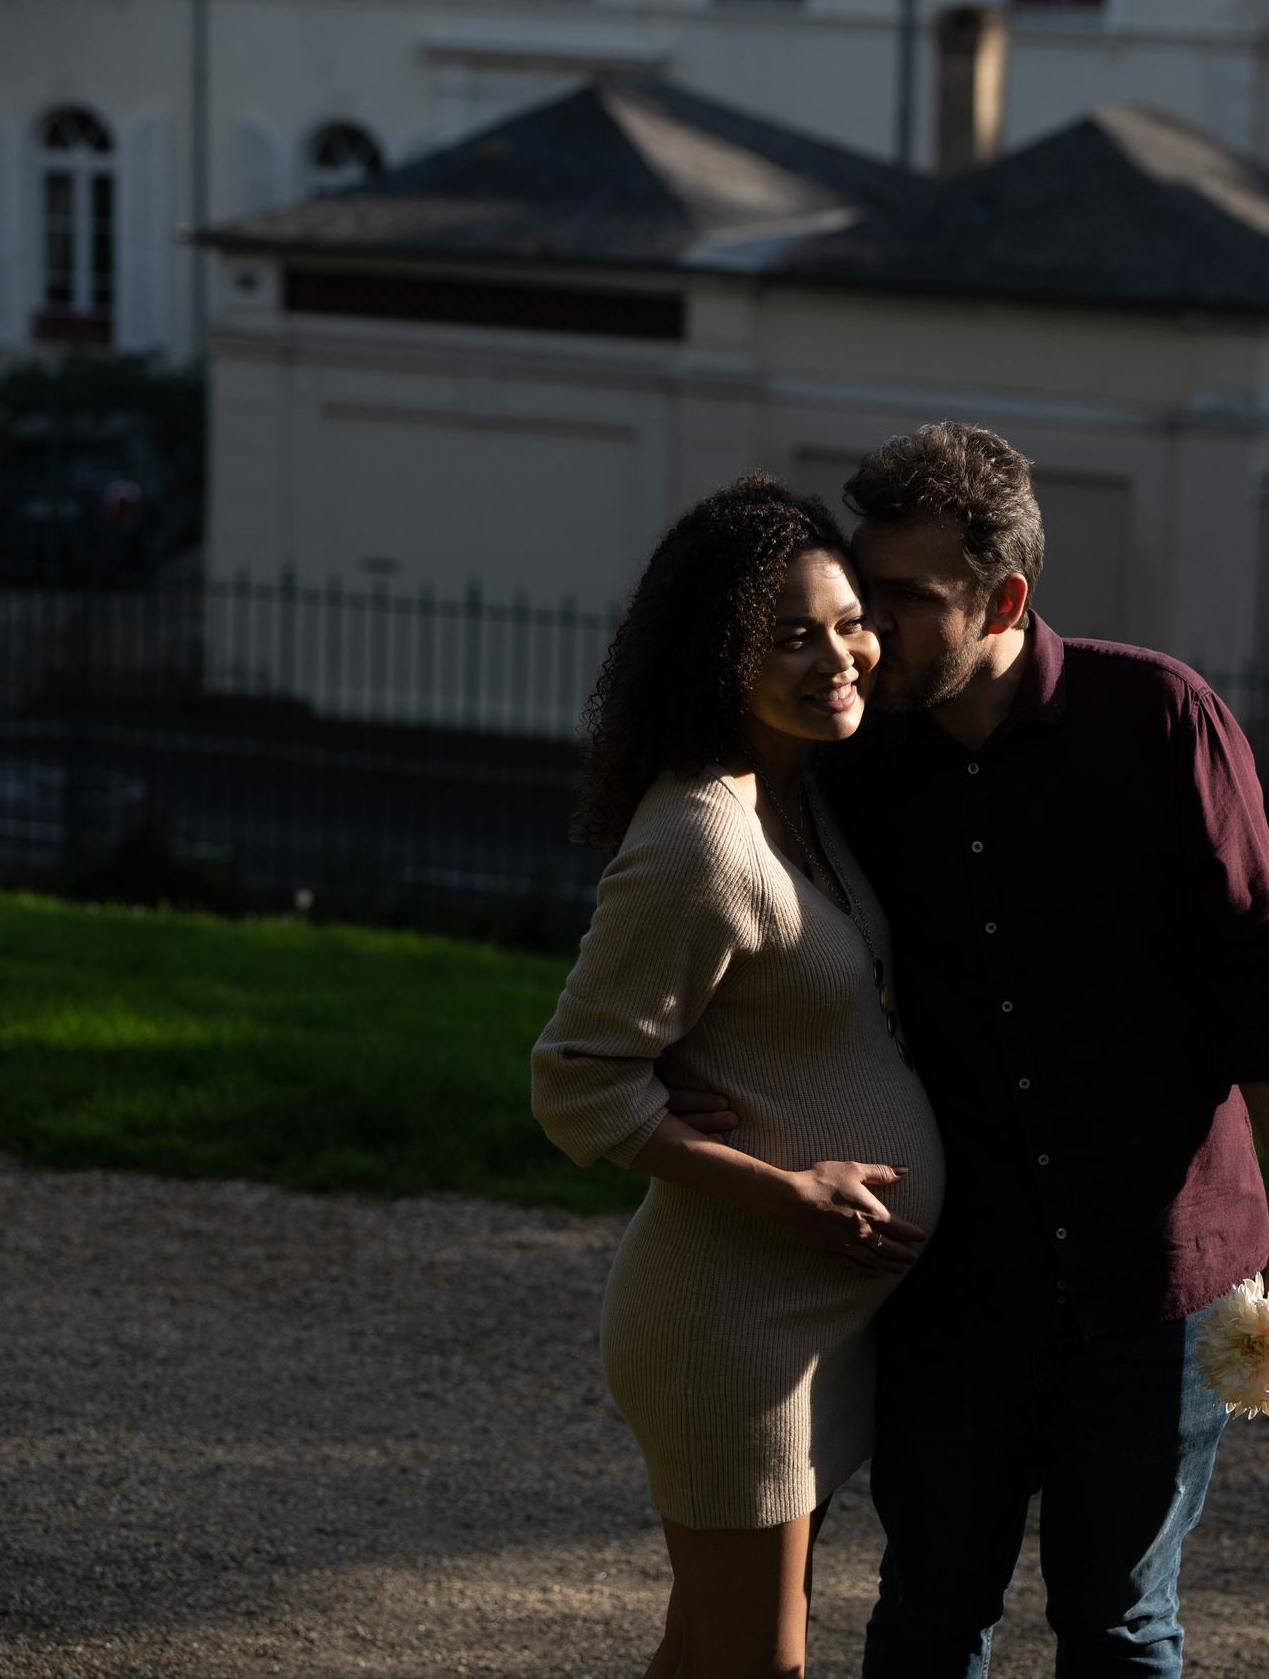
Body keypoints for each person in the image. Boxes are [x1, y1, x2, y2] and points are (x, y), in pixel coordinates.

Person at [836, 421, 1269, 1676]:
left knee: (1119, 1629)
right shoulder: (845, 767)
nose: (868, 632)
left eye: (906, 602)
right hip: (954, 1279)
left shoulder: (1163, 721)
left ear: (1003, 599)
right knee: (925, 1620)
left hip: (1158, 1283)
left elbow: (1264, 988)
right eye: (863, 597)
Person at [532, 475, 945, 1679]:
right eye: (790, 635)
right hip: (733, 1322)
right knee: (762, 1667)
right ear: (718, 656)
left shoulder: (799, 797)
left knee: (702, 1653)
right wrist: (781, 1188)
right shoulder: (703, 840)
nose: (841, 656)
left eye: (847, 619)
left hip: (809, 1317)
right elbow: (577, 1083)